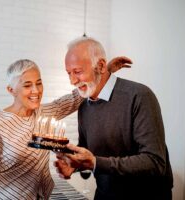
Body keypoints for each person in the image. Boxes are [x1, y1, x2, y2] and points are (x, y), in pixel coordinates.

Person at [0, 57, 130, 199]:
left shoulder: (45, 112)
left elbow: (76, 98)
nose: (36, 91)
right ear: (11, 90)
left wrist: (104, 71)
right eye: (27, 85)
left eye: (39, 82)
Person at [53, 37, 173, 200]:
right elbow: (89, 150)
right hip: (105, 195)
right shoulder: (84, 106)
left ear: (101, 66)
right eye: (69, 73)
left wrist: (94, 163)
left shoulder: (139, 96)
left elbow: (154, 162)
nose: (72, 81)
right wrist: (73, 164)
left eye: (78, 71)